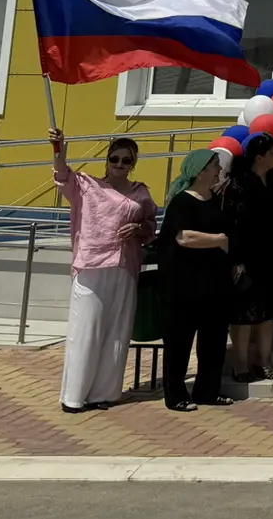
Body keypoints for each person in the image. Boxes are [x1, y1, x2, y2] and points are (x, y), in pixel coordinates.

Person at [48, 129, 156, 414]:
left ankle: (105, 393)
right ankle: (74, 396)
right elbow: (61, 175)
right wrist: (58, 147)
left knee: (117, 331)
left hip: (125, 266)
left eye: (126, 160)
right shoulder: (86, 186)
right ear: (106, 160)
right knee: (86, 329)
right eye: (114, 158)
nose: (119, 164)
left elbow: (150, 225)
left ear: (133, 164)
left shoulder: (141, 192)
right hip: (91, 264)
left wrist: (139, 228)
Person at [156, 148, 233, 413]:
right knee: (179, 342)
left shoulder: (216, 199)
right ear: (201, 172)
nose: (219, 170)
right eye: (215, 165)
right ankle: (176, 395)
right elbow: (183, 237)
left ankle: (208, 391)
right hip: (183, 285)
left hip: (214, 282)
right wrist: (219, 240)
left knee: (213, 341)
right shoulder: (181, 202)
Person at [223, 132, 273, 382]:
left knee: (269, 311)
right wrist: (236, 260)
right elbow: (233, 224)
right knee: (244, 313)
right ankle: (240, 363)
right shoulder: (240, 183)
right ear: (259, 157)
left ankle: (264, 360)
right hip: (247, 255)